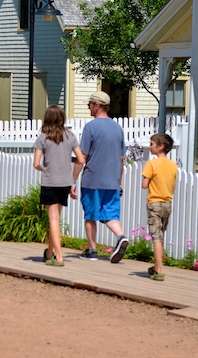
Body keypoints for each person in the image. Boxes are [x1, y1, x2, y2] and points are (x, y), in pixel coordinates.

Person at [77, 90, 130, 262]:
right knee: (110, 215)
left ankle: (92, 251)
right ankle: (121, 236)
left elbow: (82, 157)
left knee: (91, 215)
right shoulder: (117, 128)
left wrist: (72, 179)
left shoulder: (90, 127)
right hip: (112, 181)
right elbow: (122, 158)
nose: (88, 107)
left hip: (93, 179)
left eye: (90, 104)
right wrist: (119, 181)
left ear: (97, 105)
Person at [33, 105, 85, 266]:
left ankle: (59, 257)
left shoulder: (43, 138)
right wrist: (68, 166)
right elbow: (81, 159)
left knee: (53, 219)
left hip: (50, 182)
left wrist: (45, 168)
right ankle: (49, 253)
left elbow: (36, 164)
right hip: (65, 182)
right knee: (56, 219)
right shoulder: (70, 136)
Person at [142, 133, 178, 281]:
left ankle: (160, 270)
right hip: (167, 203)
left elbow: (144, 185)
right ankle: (156, 266)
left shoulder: (151, 164)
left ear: (160, 146)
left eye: (152, 144)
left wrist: (149, 182)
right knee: (161, 235)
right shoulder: (172, 165)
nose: (150, 147)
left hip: (154, 203)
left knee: (156, 237)